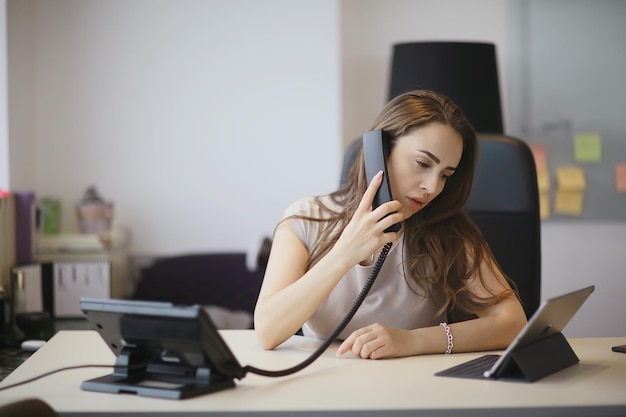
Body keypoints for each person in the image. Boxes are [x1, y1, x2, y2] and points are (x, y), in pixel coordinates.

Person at [253, 90, 527, 359]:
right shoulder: (306, 219)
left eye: (445, 174)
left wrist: (413, 341)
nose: (432, 187)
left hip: (415, 390)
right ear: (379, 152)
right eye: (422, 163)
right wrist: (343, 254)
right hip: (323, 389)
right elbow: (267, 332)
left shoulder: (448, 231)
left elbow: (513, 323)